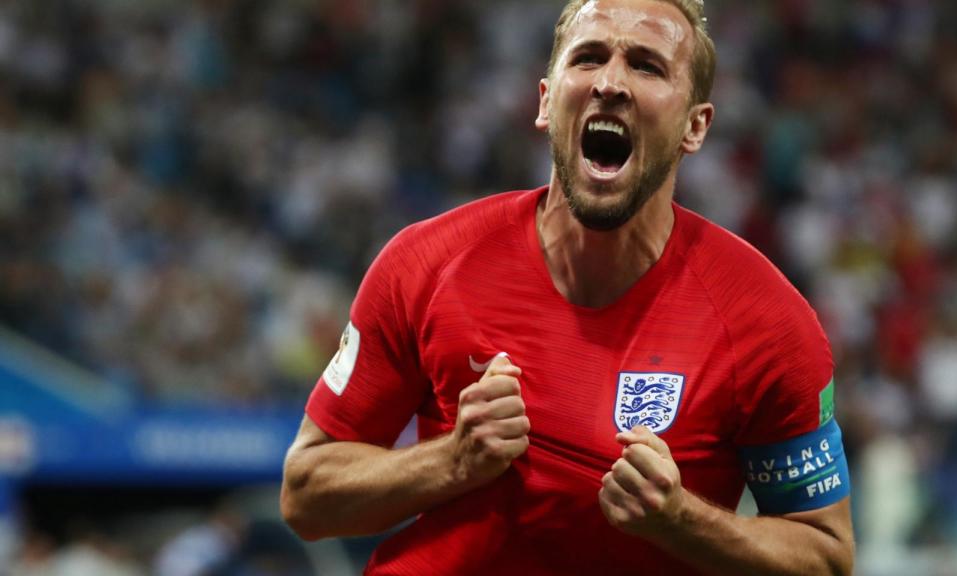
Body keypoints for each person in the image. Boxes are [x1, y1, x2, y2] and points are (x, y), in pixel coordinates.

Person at [281, 0, 855, 574]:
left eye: (647, 66)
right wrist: (451, 461)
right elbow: (305, 495)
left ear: (695, 125)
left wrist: (681, 520)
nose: (610, 83)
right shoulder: (426, 263)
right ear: (545, 101)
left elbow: (825, 556)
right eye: (588, 58)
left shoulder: (765, 323)